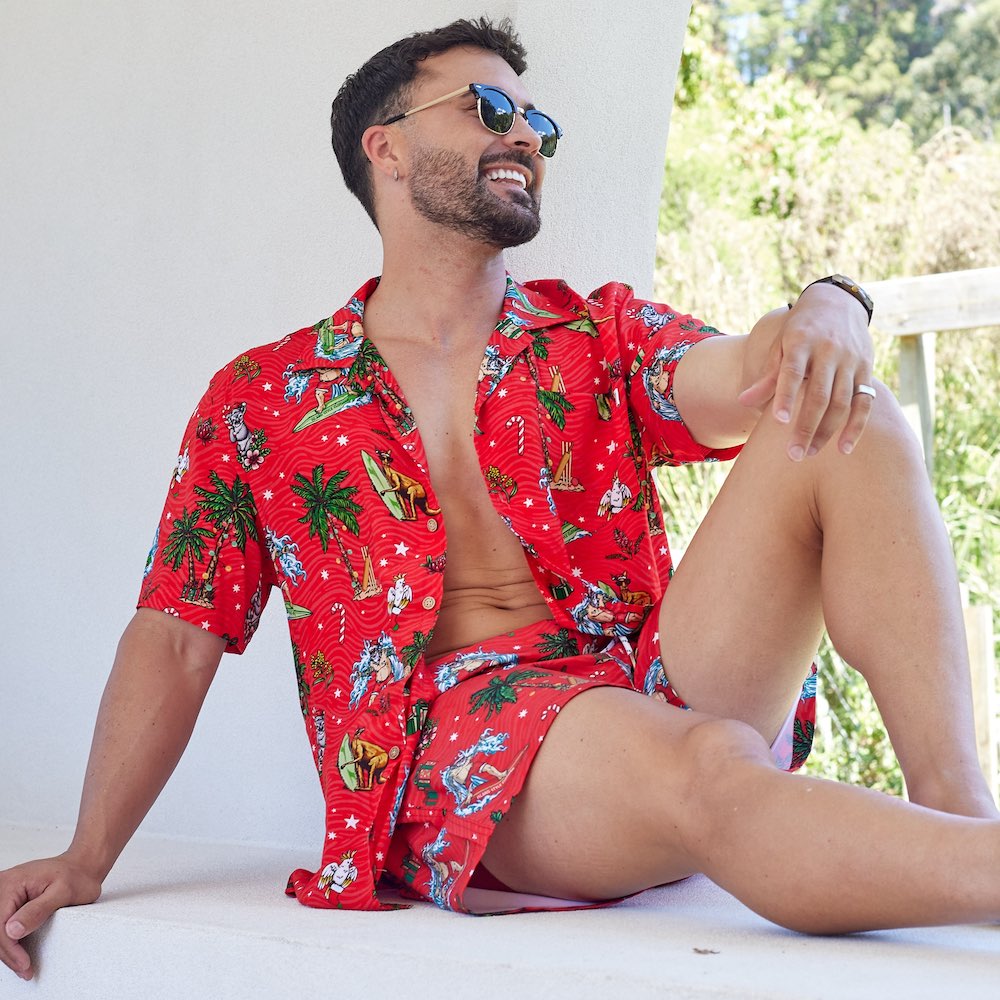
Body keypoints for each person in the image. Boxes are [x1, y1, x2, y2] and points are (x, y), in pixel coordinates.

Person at [2, 15, 998, 981]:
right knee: (704, 762)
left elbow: (749, 369)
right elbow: (177, 632)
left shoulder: (588, 335)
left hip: (637, 684)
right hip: (466, 753)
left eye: (536, 123)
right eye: (484, 107)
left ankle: (958, 802)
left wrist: (830, 302)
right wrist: (86, 855)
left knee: (837, 406)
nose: (523, 134)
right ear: (384, 149)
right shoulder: (264, 399)